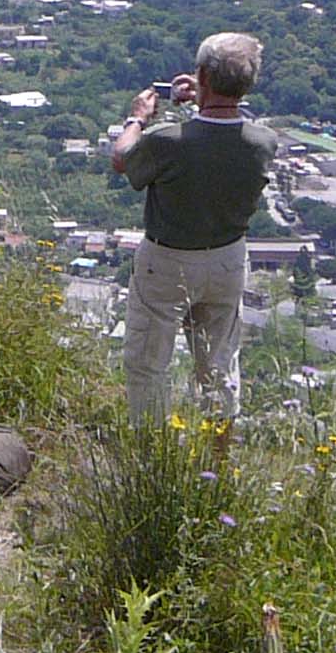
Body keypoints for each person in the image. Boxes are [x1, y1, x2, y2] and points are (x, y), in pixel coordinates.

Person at [108, 32, 279, 424]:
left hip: (167, 260)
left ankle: (150, 448)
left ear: (202, 76)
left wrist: (138, 118)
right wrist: (205, 97)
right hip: (228, 259)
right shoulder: (263, 142)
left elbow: (122, 157)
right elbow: (217, 135)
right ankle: (219, 449)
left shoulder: (165, 142)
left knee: (148, 362)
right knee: (219, 365)